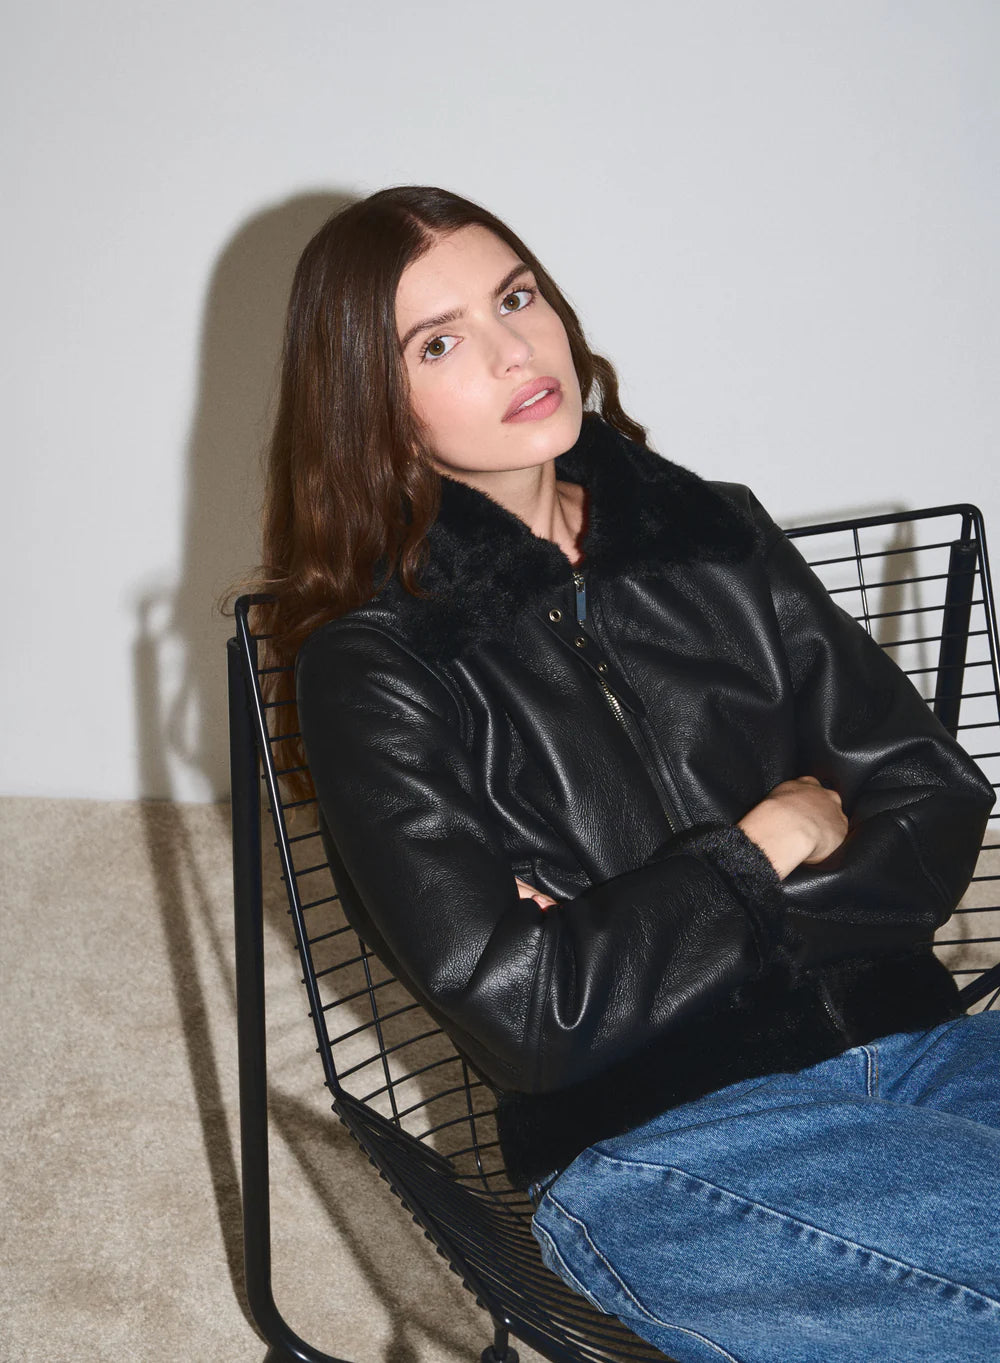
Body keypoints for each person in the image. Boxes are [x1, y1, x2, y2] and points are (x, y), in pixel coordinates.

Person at [258, 185, 999, 1362]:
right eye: (440, 341)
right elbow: (526, 1017)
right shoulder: (376, 666)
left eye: (516, 295)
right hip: (671, 1142)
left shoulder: (710, 531)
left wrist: (626, 935)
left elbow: (933, 795)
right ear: (378, 411)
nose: (513, 349)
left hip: (928, 1042)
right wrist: (766, 843)